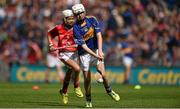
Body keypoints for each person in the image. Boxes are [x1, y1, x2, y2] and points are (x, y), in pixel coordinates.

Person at [72, 4, 120, 107]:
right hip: (84, 54)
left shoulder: (92, 19)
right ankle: (88, 100)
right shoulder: (75, 28)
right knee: (87, 79)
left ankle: (109, 91)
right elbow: (84, 47)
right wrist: (96, 55)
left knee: (102, 73)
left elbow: (99, 35)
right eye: (77, 14)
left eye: (81, 13)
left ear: (84, 11)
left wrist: (100, 51)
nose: (79, 15)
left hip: (95, 49)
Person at [47, 9, 83, 104]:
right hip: (63, 53)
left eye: (72, 18)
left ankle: (64, 91)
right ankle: (76, 86)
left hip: (74, 53)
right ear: (64, 19)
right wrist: (51, 45)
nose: (71, 20)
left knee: (70, 71)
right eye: (69, 19)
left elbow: (83, 37)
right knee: (77, 69)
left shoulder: (76, 27)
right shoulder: (58, 28)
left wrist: (80, 42)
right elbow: (49, 34)